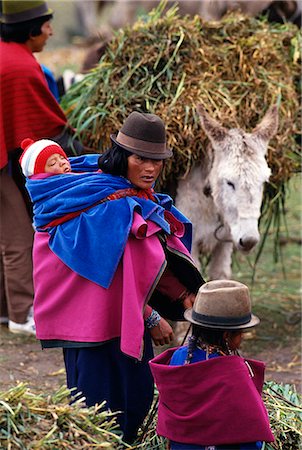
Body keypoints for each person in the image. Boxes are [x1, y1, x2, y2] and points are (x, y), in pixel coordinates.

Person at [23, 111, 204, 443]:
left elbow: (142, 254)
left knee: (136, 400)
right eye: (141, 158)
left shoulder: (127, 196)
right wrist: (150, 316)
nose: (150, 168)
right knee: (98, 416)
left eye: (157, 160)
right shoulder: (99, 201)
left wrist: (181, 295)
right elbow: (107, 269)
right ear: (123, 155)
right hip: (89, 325)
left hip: (121, 318)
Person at [0, 0, 85, 334]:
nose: (51, 30)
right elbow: (45, 125)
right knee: (19, 236)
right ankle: (23, 316)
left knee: (6, 235)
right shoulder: (19, 66)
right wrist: (81, 147)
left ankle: (6, 310)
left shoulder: (10, 56)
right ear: (31, 28)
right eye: (47, 24)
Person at [149, 279, 275, 450]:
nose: (242, 339)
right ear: (226, 335)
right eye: (240, 334)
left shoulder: (178, 357)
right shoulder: (234, 371)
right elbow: (251, 429)